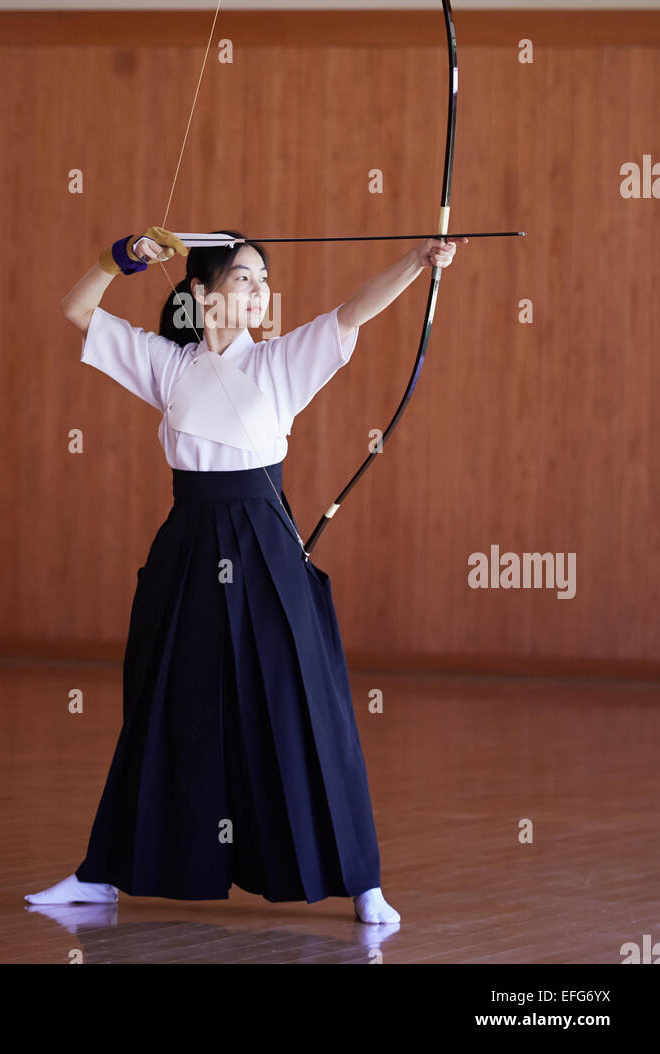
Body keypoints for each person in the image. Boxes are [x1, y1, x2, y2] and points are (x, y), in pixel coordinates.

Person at [25, 225, 464, 923]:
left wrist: (417, 260)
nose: (260, 292)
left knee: (303, 707)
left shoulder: (280, 361)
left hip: (264, 549)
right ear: (201, 294)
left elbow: (354, 311)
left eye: (264, 279)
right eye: (243, 277)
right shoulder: (169, 364)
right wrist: (122, 256)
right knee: (163, 704)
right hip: (190, 548)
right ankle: (101, 874)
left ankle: (362, 881)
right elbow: (77, 309)